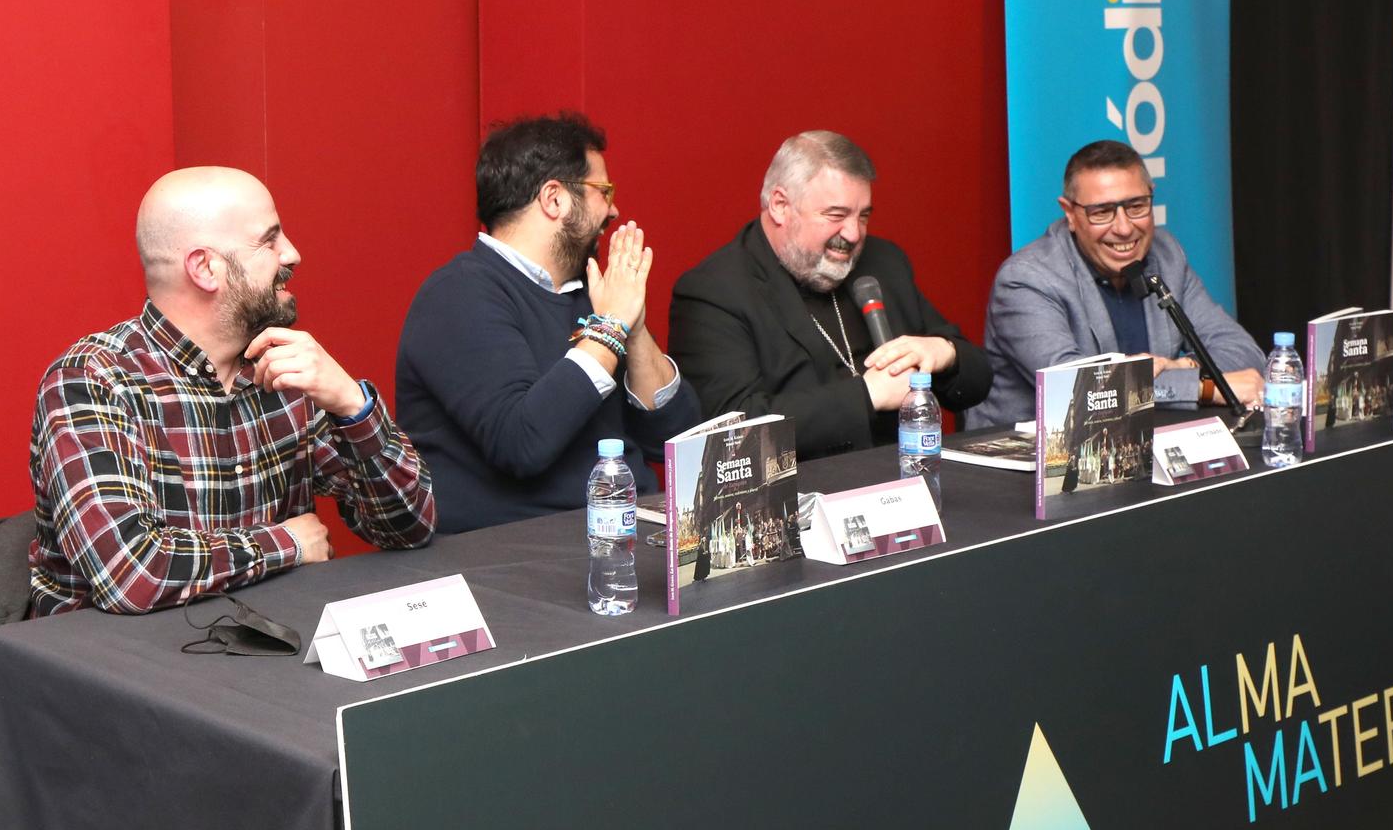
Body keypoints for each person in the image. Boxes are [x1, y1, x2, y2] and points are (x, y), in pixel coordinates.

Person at [28, 168, 436, 617]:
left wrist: (351, 406)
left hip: (266, 655)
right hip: (121, 672)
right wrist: (287, 543)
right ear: (205, 268)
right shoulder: (93, 378)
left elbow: (410, 528)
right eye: (270, 240)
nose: (293, 254)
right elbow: (133, 574)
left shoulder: (284, 371)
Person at [396, 112, 702, 532]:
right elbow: (521, 442)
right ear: (554, 199)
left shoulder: (590, 294)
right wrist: (609, 327)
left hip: (624, 537)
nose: (613, 210)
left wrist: (633, 327)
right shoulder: (457, 294)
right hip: (516, 562)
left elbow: (679, 442)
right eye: (603, 191)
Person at [669, 130, 991, 459]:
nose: (853, 234)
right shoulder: (714, 291)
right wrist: (866, 395)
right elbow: (729, 436)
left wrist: (944, 352)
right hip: (799, 493)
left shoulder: (884, 262)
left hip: (904, 478)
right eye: (835, 215)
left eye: (863, 216)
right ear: (780, 206)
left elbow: (978, 379)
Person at [967, 140, 1265, 428]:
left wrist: (1179, 366)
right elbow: (1078, 389)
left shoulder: (1166, 254)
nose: (1124, 228)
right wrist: (1205, 389)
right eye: (1102, 212)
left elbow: (1243, 352)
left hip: (1142, 446)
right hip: (1033, 464)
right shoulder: (1026, 278)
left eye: (1136, 206)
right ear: (1070, 214)